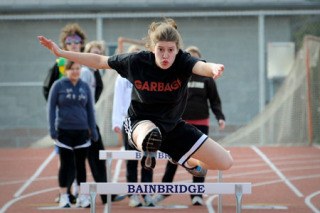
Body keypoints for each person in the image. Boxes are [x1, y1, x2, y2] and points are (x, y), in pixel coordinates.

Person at [38, 18, 233, 187]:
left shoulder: (183, 61)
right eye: (160, 50)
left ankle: (183, 157)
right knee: (150, 133)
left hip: (173, 127)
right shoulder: (136, 61)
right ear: (152, 48)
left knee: (225, 161)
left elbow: (201, 66)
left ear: (177, 49)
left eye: (170, 50)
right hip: (140, 124)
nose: (165, 55)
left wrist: (213, 68)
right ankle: (153, 148)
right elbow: (99, 60)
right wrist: (62, 53)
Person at [153, 46, 226, 206]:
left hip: (201, 123)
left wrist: (220, 117)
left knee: (200, 158)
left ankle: (197, 193)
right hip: (179, 124)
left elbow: (214, 100)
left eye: (195, 59)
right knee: (173, 158)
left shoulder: (207, 79)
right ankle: (164, 190)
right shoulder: (177, 78)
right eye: (188, 58)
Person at [42, 23, 87, 204]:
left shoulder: (87, 60)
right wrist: (60, 106)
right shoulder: (59, 64)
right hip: (65, 121)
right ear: (64, 43)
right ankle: (65, 191)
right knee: (64, 159)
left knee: (82, 160)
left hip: (82, 119)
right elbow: (48, 90)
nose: (74, 44)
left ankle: (80, 191)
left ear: (82, 43)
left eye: (77, 41)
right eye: (70, 41)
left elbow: (96, 88)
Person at [47, 60, 98, 208]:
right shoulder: (58, 85)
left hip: (82, 132)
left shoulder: (85, 86)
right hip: (64, 132)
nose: (75, 71)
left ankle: (82, 196)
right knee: (66, 165)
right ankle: (64, 196)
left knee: (81, 165)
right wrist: (52, 129)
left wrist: (93, 129)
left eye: (78, 68)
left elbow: (90, 109)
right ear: (66, 70)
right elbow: (50, 109)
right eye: (72, 69)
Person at [112, 45, 154, 207]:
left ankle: (147, 192)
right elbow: (118, 100)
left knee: (149, 158)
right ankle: (133, 194)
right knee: (131, 160)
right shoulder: (122, 77)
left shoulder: (149, 75)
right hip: (129, 122)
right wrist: (117, 122)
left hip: (148, 123)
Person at [81, 40, 120, 204]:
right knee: (84, 159)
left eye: (99, 53)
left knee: (97, 158)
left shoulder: (95, 73)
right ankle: (79, 195)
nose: (96, 56)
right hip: (83, 123)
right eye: (93, 53)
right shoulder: (85, 72)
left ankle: (105, 194)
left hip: (90, 121)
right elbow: (82, 98)